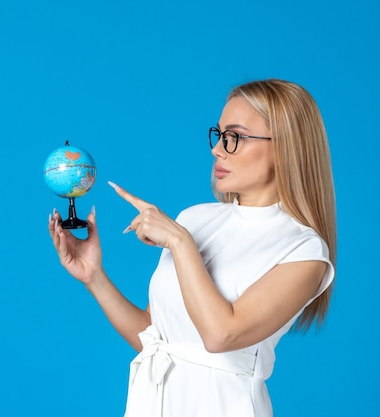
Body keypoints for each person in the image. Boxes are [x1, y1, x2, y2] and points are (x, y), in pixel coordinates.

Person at [47, 79, 336, 417]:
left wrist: (180, 242)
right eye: (219, 134)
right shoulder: (196, 218)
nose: (217, 149)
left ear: (286, 147)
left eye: (235, 138)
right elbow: (156, 339)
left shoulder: (304, 251)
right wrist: (94, 275)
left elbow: (220, 336)